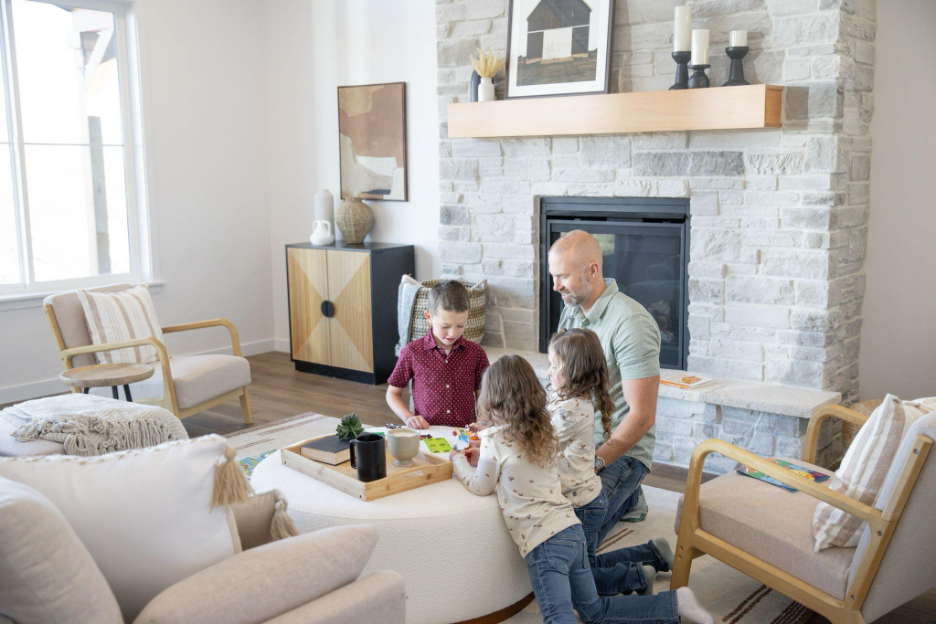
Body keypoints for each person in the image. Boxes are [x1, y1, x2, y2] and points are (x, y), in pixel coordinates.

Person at [450, 356, 713, 624]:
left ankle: (672, 601)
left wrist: (458, 461)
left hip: (544, 542)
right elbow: (520, 468)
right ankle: (674, 603)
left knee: (558, 615)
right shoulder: (544, 431)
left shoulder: (493, 441)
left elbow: (480, 486)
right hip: (571, 530)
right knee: (594, 612)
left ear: (491, 398)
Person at [549, 230, 661, 543]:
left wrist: (595, 462)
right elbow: (560, 383)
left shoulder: (631, 323)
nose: (555, 286)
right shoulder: (571, 309)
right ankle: (626, 494)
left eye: (562, 277)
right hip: (573, 433)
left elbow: (642, 416)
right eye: (553, 276)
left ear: (592, 270)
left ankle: (629, 491)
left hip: (615, 450)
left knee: (571, 539)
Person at [546, 328, 673, 596]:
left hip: (583, 505)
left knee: (571, 576)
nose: (548, 372)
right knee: (584, 564)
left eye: (554, 366)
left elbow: (541, 442)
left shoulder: (572, 410)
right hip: (587, 499)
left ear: (574, 371)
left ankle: (635, 577)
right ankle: (651, 555)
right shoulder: (565, 399)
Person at [386, 280, 489, 429]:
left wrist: (482, 422)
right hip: (427, 433)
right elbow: (393, 393)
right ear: (428, 317)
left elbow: (484, 397)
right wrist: (408, 418)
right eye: (445, 326)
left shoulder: (476, 353)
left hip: (465, 433)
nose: (453, 333)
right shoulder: (412, 351)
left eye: (460, 325)